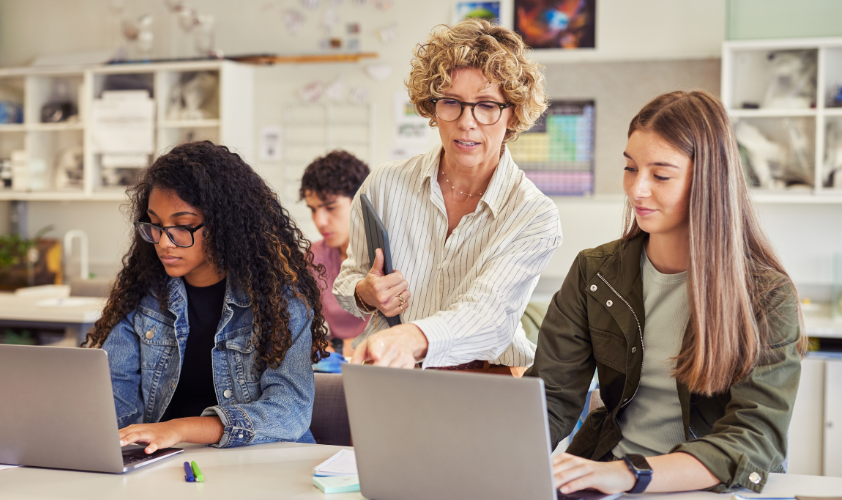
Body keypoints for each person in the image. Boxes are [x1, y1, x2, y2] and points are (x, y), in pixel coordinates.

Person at [527, 91, 806, 495]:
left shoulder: (766, 296)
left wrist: (630, 473)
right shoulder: (595, 273)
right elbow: (550, 399)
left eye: (660, 176)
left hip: (706, 488)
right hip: (609, 481)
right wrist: (500, 459)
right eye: (630, 168)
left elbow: (754, 438)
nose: (637, 189)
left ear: (708, 181)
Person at [333, 19, 562, 373]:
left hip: (487, 376)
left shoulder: (534, 215)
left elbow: (487, 315)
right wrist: (366, 292)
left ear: (513, 112)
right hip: (393, 373)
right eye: (452, 102)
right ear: (432, 106)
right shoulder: (384, 185)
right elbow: (348, 282)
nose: (467, 121)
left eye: (487, 105)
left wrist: (411, 338)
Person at [83, 140, 329, 453]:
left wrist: (180, 428)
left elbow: (289, 411)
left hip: (261, 463)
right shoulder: (143, 297)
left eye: (183, 226)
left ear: (225, 225)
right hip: (165, 462)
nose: (164, 242)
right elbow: (114, 401)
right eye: (155, 225)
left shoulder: (278, 301)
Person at [300, 150, 372, 356]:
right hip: (334, 363)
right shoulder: (313, 258)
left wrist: (338, 348)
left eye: (330, 207)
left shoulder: (390, 253)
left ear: (360, 203)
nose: (320, 221)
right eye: (313, 209)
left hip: (384, 362)